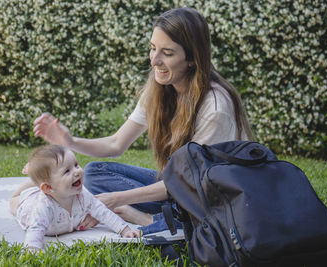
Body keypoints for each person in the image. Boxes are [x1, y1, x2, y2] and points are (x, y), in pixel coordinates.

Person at [32, 7, 253, 234]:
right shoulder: (159, 90)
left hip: (215, 199)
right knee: (94, 173)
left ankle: (149, 220)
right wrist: (69, 140)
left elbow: (190, 181)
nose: (154, 60)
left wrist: (117, 200)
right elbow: (116, 144)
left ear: (191, 59)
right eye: (153, 48)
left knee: (204, 222)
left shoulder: (215, 108)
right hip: (178, 187)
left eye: (167, 53)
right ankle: (166, 217)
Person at [9, 145, 140, 251]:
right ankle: (32, 180)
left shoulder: (83, 195)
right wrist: (33, 249)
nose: (77, 171)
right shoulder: (42, 208)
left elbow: (103, 212)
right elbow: (35, 229)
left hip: (50, 189)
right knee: (14, 199)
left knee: (47, 184)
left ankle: (38, 179)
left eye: (76, 165)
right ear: (48, 188)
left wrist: (124, 230)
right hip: (28, 204)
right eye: (67, 171)